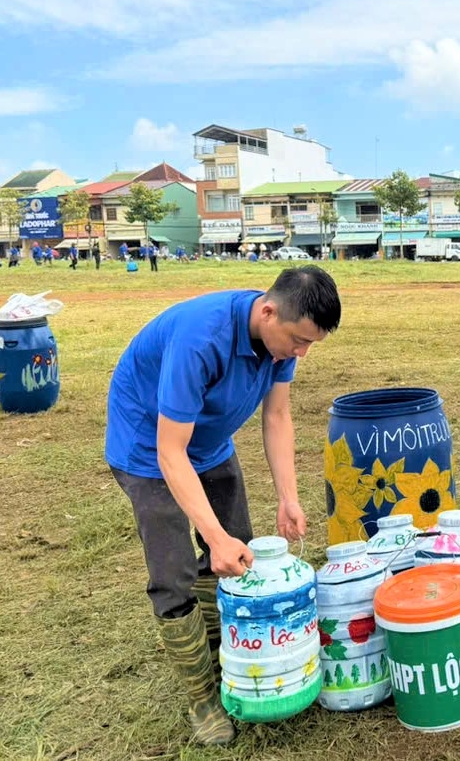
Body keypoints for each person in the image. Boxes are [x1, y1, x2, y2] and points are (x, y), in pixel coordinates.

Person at [105, 266, 341, 745]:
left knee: (240, 552)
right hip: (150, 451)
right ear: (268, 311)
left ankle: (222, 652)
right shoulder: (201, 338)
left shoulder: (282, 338)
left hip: (210, 444)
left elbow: (276, 416)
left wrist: (288, 497)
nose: (301, 353)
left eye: (310, 344)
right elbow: (170, 451)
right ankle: (202, 698)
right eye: (298, 341)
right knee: (175, 573)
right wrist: (212, 536)